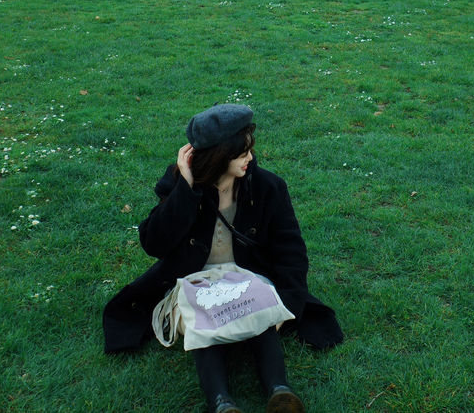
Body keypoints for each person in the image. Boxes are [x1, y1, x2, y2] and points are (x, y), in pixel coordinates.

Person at [103, 104, 342, 413]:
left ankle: (280, 391)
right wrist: (186, 190)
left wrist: (287, 304)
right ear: (219, 156)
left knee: (261, 313)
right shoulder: (180, 183)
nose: (251, 159)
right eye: (242, 154)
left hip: (248, 275)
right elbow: (154, 242)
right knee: (200, 321)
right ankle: (221, 403)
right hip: (195, 278)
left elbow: (290, 249)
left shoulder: (268, 186)